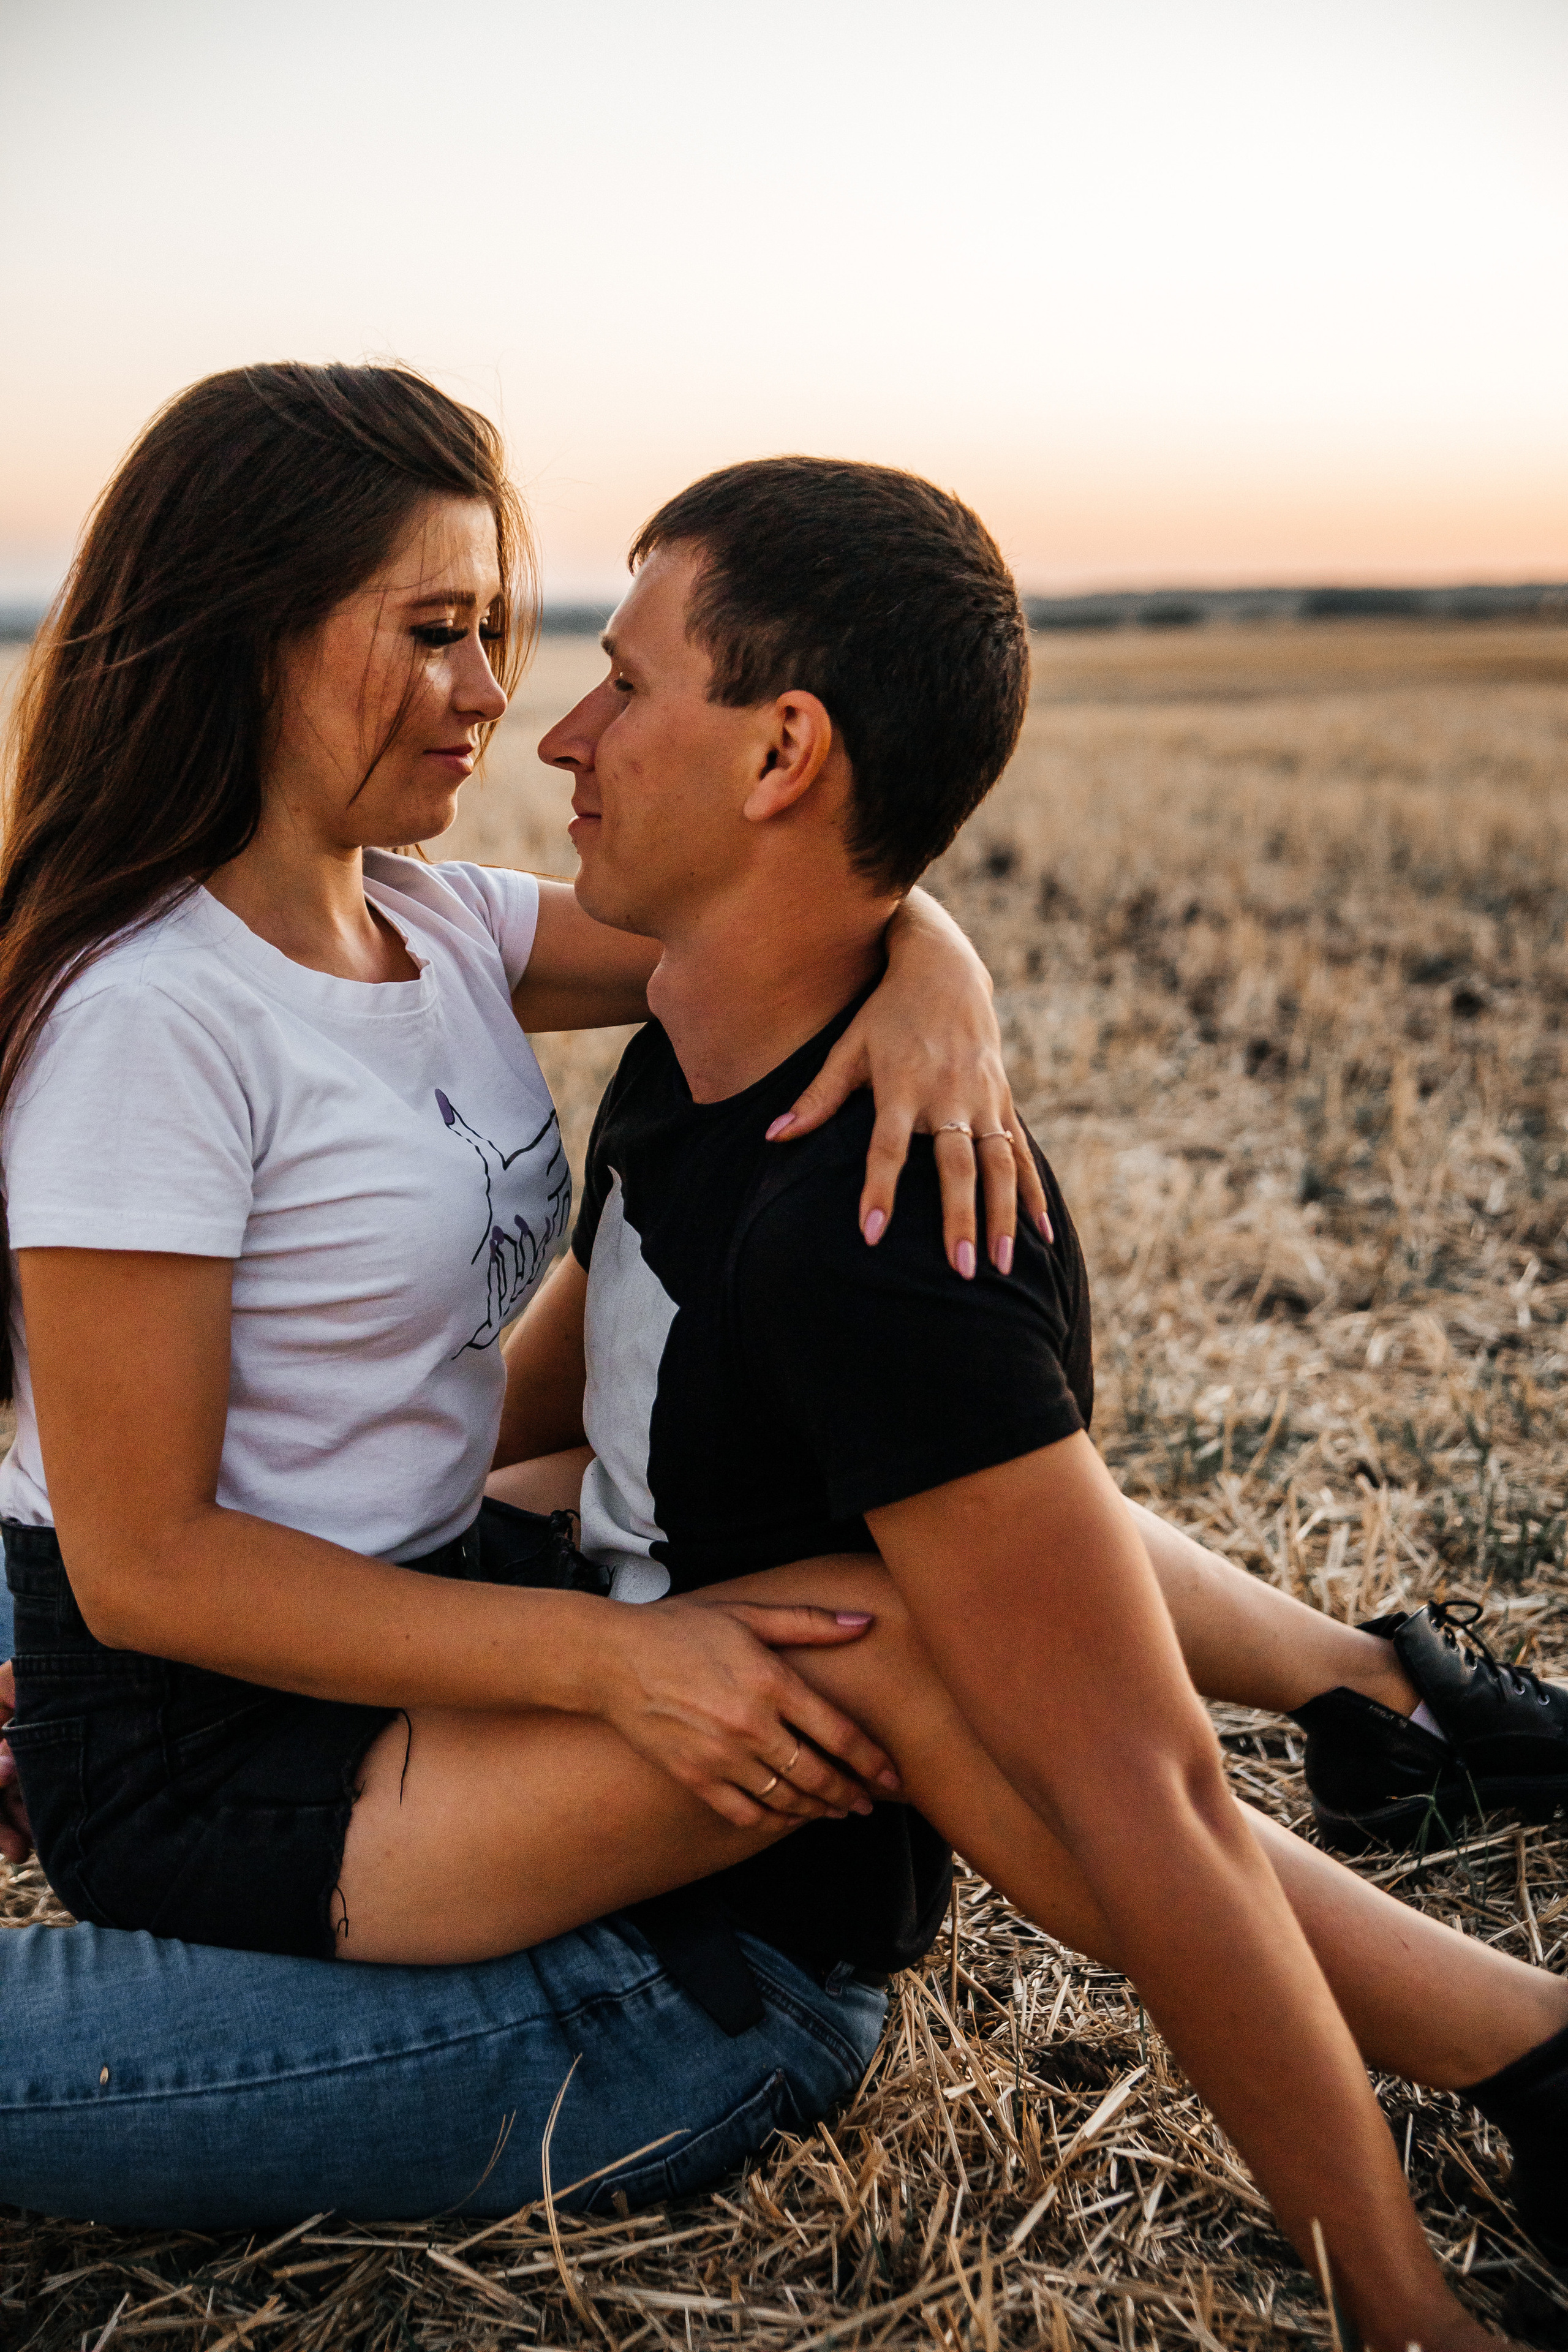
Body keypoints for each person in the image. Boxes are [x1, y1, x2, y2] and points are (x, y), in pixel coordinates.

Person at [2, 433, 1567, 2344]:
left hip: (392, 1604)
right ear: (246, 635)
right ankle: (1502, 2018)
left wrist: (938, 969)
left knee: (847, 1490)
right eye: (439, 631)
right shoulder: (152, 1019)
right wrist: (619, 1661)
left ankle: (1386, 1721)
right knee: (877, 1599)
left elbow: (779, 910)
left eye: (510, 633)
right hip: (216, 1717)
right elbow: (144, 1560)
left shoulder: (426, 922)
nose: (512, 705)